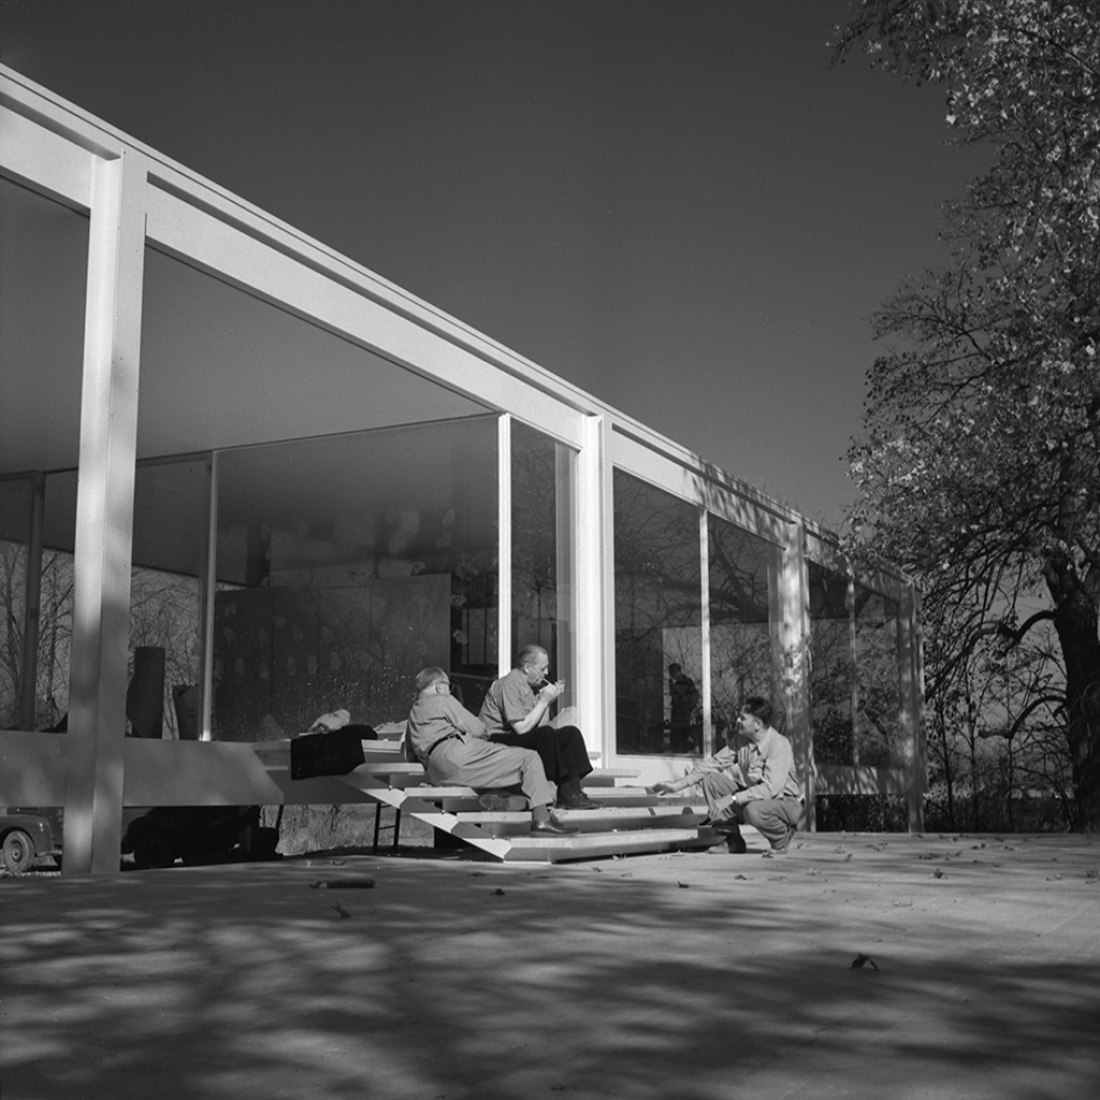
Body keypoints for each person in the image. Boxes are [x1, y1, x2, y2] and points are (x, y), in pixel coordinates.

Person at [406, 667, 576, 836]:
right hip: (458, 753)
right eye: (448, 686)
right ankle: (542, 818)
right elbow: (476, 727)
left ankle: (502, 798)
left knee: (490, 767)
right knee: (528, 758)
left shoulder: (414, 713)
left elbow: (411, 753)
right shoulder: (443, 700)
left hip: (438, 770)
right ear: (439, 686)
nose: (448, 691)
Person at [651, 696, 802, 855]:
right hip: (755, 798)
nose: (738, 720)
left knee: (753, 810)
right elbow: (713, 764)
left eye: (743, 718)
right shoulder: (741, 740)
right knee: (710, 780)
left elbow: (771, 789)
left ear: (757, 724)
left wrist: (732, 798)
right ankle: (732, 840)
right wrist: (678, 785)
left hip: (784, 803)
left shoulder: (778, 744)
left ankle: (782, 838)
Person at [479, 645, 601, 810]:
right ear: (527, 668)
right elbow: (521, 728)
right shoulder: (510, 683)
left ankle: (573, 790)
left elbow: (539, 726)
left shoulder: (529, 688)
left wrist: (547, 701)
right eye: (542, 668)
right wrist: (543, 701)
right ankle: (564, 789)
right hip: (495, 741)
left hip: (515, 735)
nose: (546, 673)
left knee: (570, 734)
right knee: (546, 734)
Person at [668, 663, 700, 753]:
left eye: (672, 672)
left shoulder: (686, 682)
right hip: (676, 713)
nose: (671, 675)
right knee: (675, 738)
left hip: (683, 714)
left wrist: (688, 707)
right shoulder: (673, 682)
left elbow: (695, 695)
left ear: (677, 672)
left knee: (682, 736)